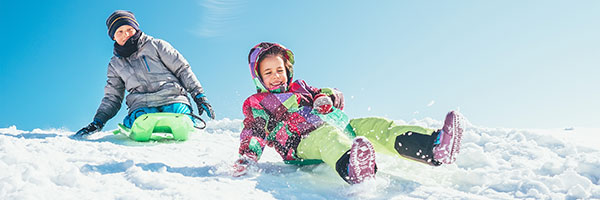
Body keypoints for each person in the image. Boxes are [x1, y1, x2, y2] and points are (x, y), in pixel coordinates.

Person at [232, 42, 464, 184]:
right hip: (300, 144)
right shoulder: (259, 102)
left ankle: (433, 147)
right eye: (268, 72)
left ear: (288, 70)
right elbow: (254, 130)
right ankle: (353, 169)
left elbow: (332, 94)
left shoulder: (301, 87)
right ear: (259, 78)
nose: (276, 76)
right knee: (328, 139)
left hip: (337, 124)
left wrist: (325, 98)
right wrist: (247, 156)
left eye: (280, 70)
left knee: (375, 126)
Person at [74, 10, 215, 137]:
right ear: (113, 37)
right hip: (141, 104)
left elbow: (182, 69)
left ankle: (184, 119)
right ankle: (137, 123)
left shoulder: (156, 45)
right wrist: (98, 121)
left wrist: (199, 95)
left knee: (178, 113)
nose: (126, 34)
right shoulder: (115, 65)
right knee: (141, 118)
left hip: (172, 97)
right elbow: (113, 97)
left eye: (129, 29)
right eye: (120, 32)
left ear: (136, 29)